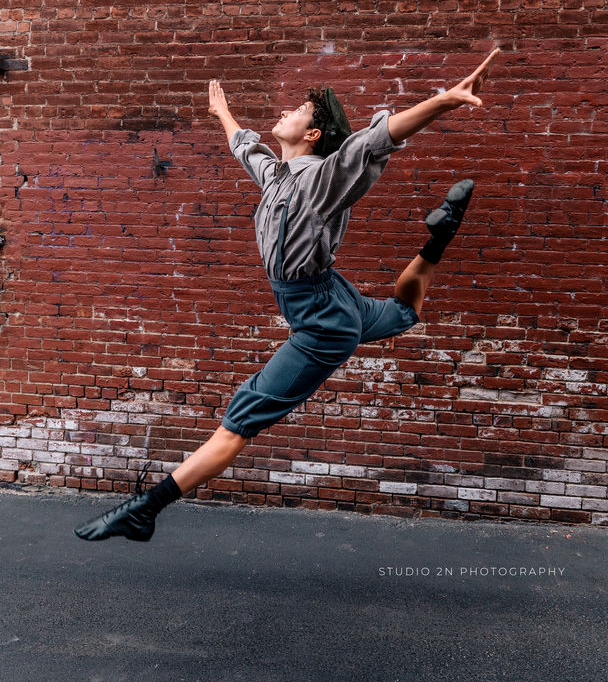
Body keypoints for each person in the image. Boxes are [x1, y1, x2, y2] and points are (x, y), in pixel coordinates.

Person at [74, 47, 501, 542]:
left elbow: (374, 141)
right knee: (404, 313)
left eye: (297, 112)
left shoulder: (321, 179)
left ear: (313, 135)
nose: (285, 112)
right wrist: (222, 113)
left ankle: (146, 508)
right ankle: (439, 239)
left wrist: (444, 101)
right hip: (334, 299)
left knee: (239, 419)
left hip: (321, 322)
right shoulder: (277, 176)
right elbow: (244, 148)